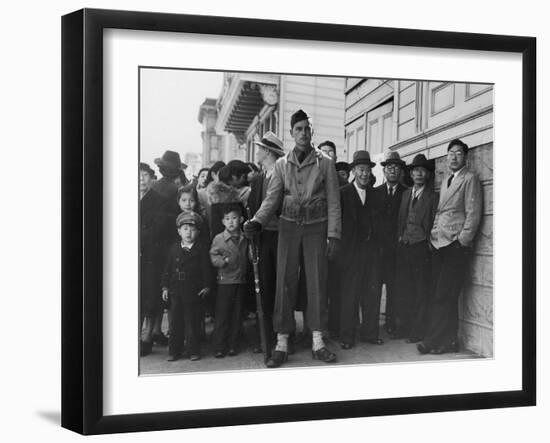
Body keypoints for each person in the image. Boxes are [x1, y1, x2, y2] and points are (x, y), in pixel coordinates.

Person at [244, 109, 341, 368]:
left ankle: (318, 341)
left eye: (307, 129)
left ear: (312, 133)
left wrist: (334, 235)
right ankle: (282, 342)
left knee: (316, 282)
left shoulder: (325, 163)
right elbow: (272, 198)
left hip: (316, 227)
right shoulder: (281, 164)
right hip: (288, 227)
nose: (303, 133)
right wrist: (256, 221)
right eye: (298, 129)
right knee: (284, 282)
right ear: (291, 133)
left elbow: (333, 201)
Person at [417, 139, 482, 355]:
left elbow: (473, 213)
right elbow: (440, 212)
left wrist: (462, 241)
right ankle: (449, 341)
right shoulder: (445, 180)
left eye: (458, 154)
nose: (453, 157)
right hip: (438, 243)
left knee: (444, 293)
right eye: (450, 153)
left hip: (455, 245)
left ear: (466, 157)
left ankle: (433, 341)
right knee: (442, 293)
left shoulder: (469, 178)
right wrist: (434, 233)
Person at [248, 131, 286, 353]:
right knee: (264, 284)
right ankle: (266, 336)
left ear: (269, 152)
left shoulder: (281, 175)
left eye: (261, 148)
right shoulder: (260, 177)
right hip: (262, 237)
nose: (258, 151)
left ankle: (280, 336)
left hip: (279, 236)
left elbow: (274, 203)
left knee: (279, 285)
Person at [394, 154, 438, 342]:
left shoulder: (432, 196)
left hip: (421, 247)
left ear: (427, 175)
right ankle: (404, 327)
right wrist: (400, 237)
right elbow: (401, 220)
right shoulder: (405, 194)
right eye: (416, 170)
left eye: (423, 171)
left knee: (421, 290)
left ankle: (418, 331)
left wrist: (428, 244)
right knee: (405, 289)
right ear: (410, 174)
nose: (419, 174)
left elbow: (433, 222)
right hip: (405, 246)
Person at [337, 151, 378, 349]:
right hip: (350, 253)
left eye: (367, 170)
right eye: (361, 169)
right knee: (349, 295)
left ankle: (370, 333)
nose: (364, 174)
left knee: (371, 294)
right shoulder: (343, 193)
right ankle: (347, 336)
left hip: (370, 253)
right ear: (353, 171)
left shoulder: (375, 193)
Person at [161, 211, 211, 361]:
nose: (189, 233)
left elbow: (206, 269)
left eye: (193, 229)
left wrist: (207, 285)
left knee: (192, 323)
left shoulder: (200, 249)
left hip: (193, 292)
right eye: (185, 229)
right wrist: (165, 287)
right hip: (175, 292)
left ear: (198, 232)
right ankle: (174, 351)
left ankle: (193, 350)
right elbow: (167, 270)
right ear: (179, 231)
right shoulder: (173, 249)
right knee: (175, 323)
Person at [371, 151, 408, 343]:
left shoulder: (406, 193)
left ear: (401, 171)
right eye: (389, 167)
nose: (392, 171)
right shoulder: (375, 192)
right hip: (378, 251)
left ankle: (392, 324)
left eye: (396, 167)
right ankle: (371, 326)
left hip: (397, 252)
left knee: (395, 289)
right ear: (384, 171)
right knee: (375, 288)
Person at [210, 204, 249, 357]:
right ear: (223, 221)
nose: (231, 222)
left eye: (234, 218)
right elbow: (213, 255)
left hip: (240, 281)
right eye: (227, 219)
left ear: (241, 219)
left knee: (237, 314)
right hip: (225, 282)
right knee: (222, 315)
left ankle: (233, 345)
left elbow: (249, 254)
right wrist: (222, 261)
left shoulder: (245, 237)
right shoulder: (219, 239)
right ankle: (219, 346)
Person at [139, 162, 169, 356]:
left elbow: (159, 228)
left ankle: (147, 337)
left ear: (152, 178)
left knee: (150, 298)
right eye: (137, 175)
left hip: (151, 255)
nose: (141, 179)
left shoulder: (159, 200)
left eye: (145, 175)